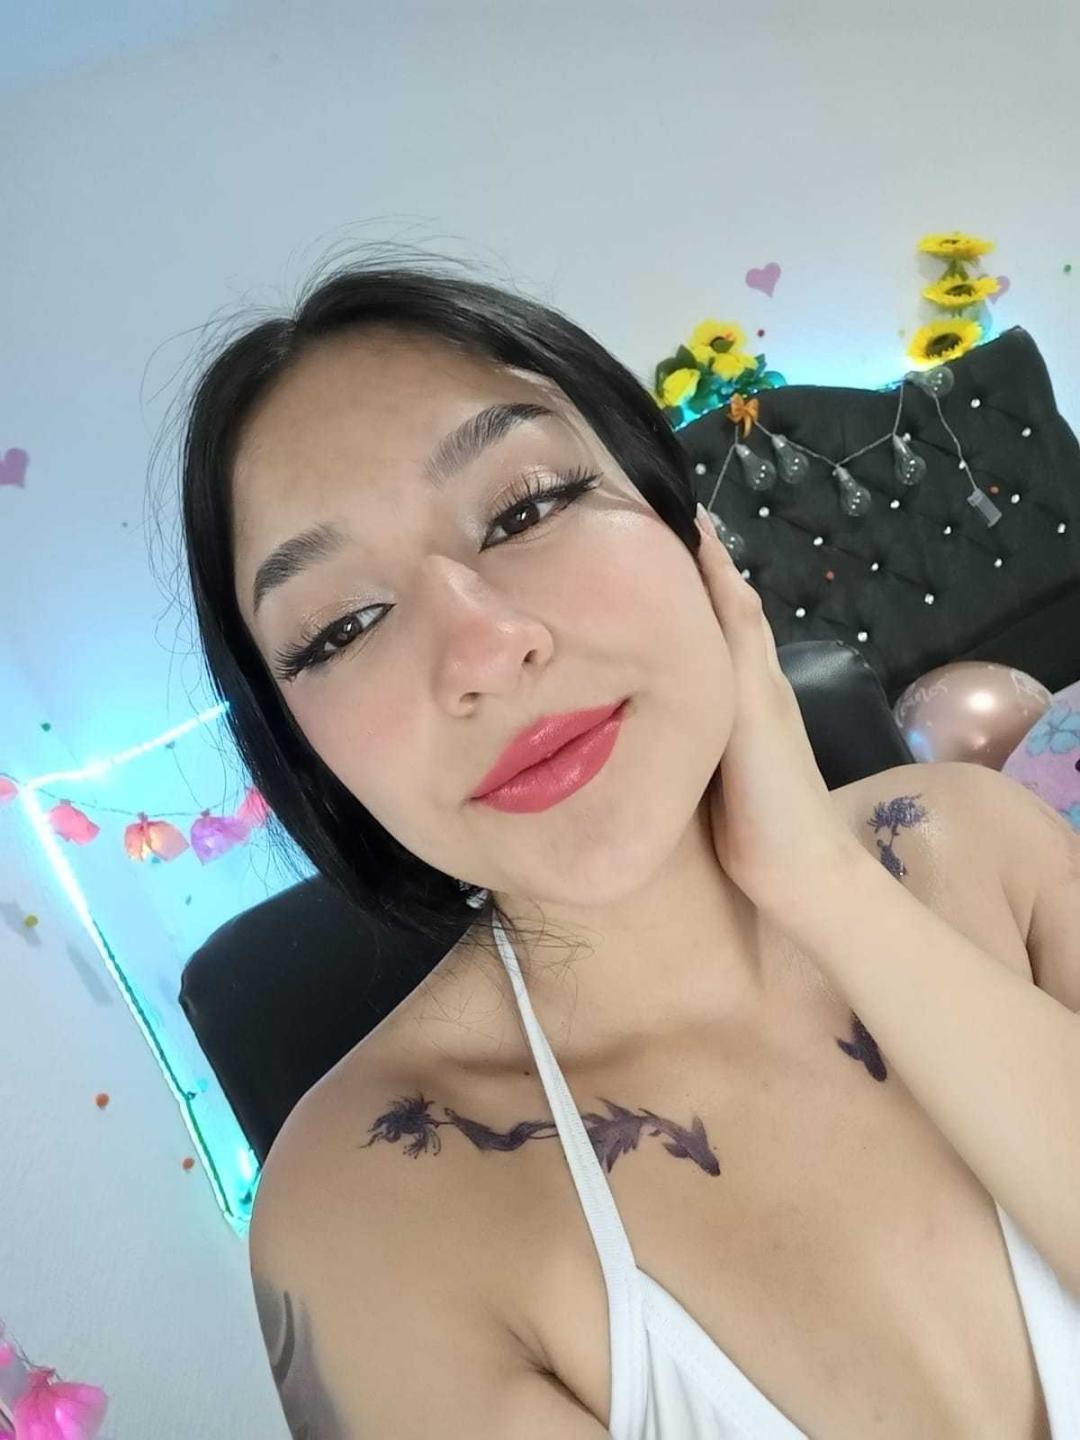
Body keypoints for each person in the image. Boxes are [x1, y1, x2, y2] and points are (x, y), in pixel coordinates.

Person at [177, 247, 1057, 1438]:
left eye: (526, 509)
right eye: (343, 627)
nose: (484, 651)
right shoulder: (367, 1217)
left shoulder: (981, 851)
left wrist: (823, 883)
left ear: (684, 525)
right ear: (304, 753)